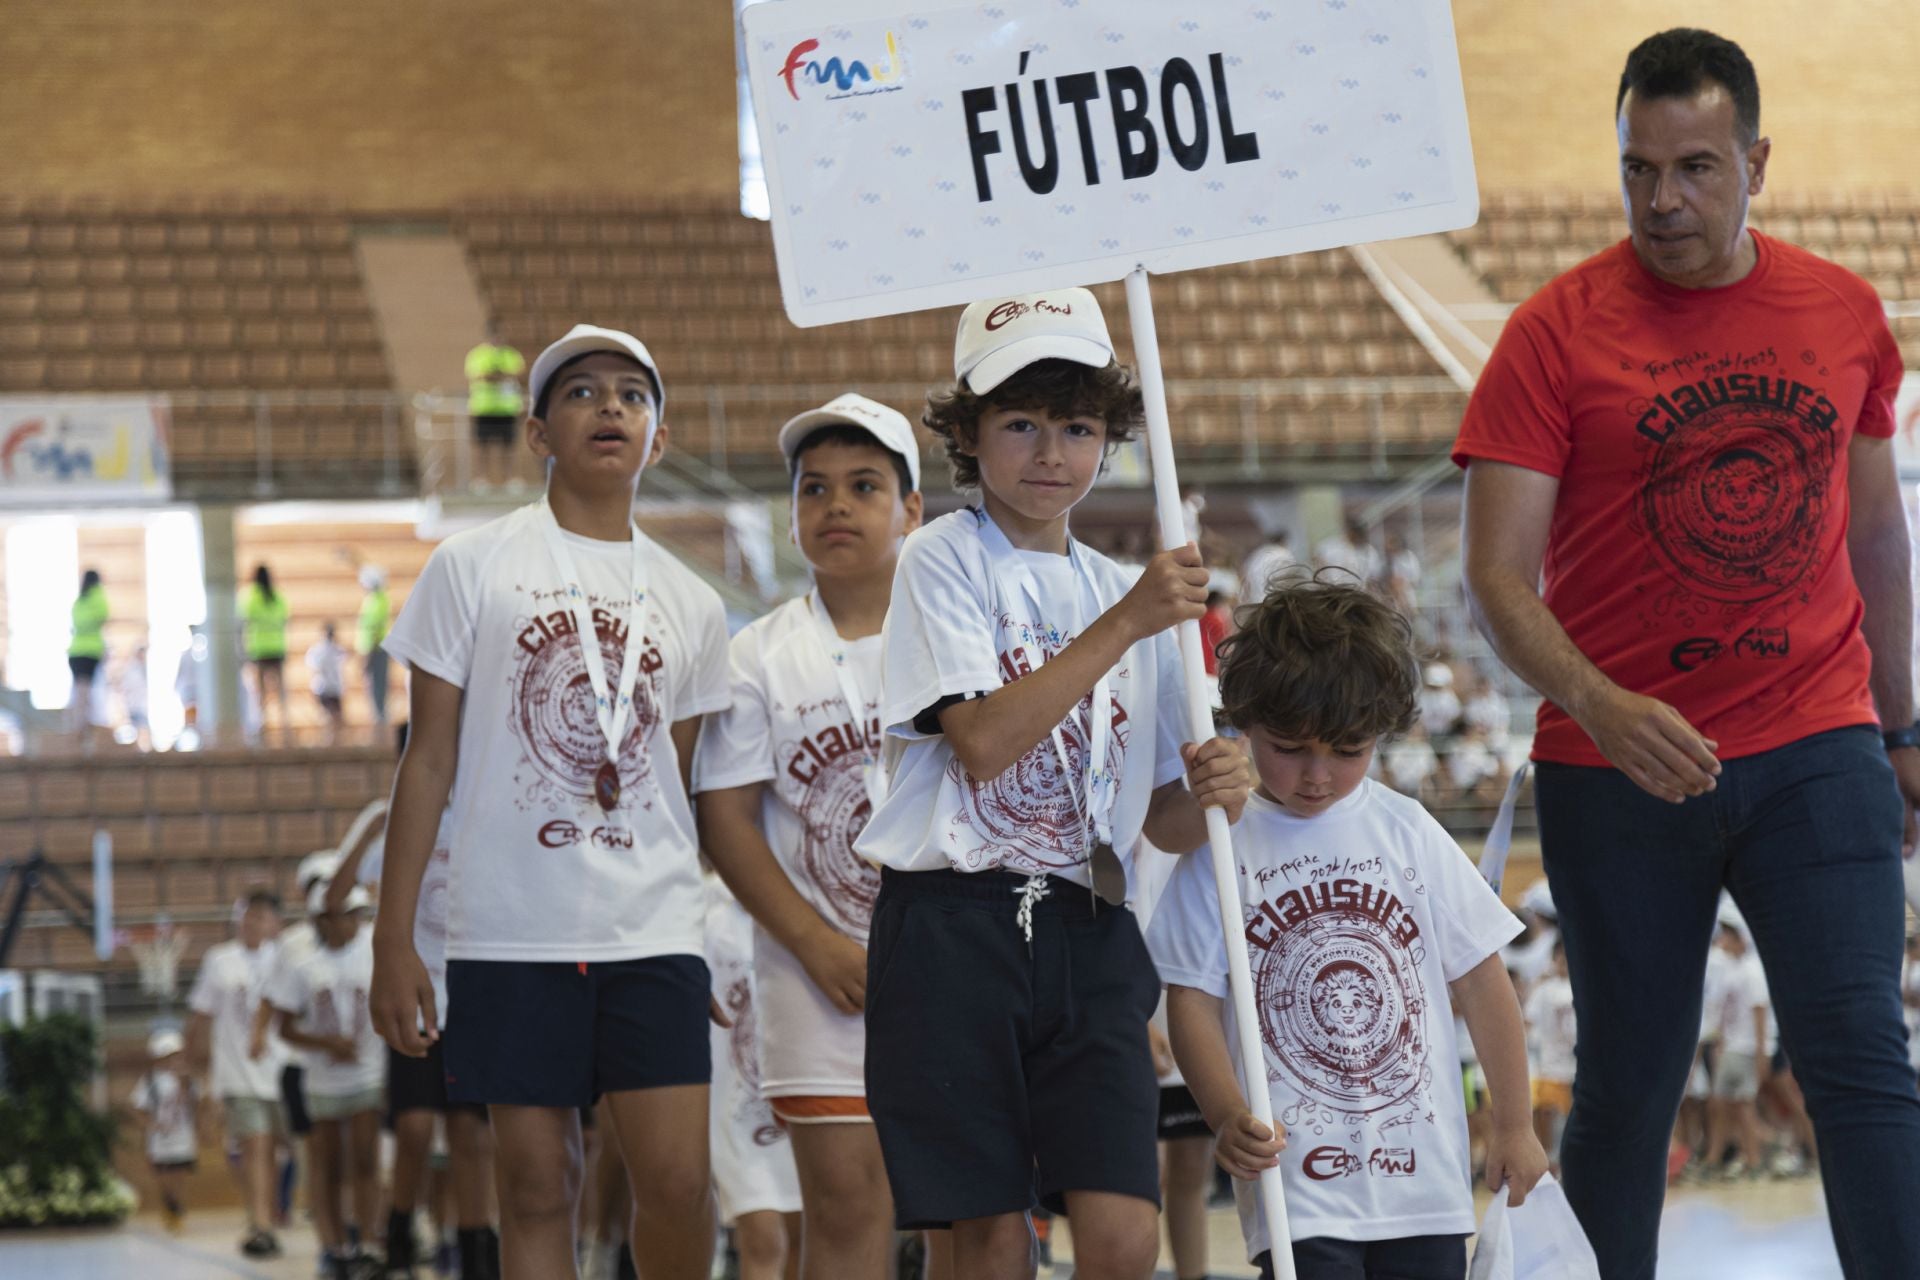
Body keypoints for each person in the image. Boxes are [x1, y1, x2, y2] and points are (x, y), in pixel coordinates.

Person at [1455, 27, 1920, 1279]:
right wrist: (1599, 705)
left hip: (1817, 743)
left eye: (1698, 167)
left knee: (1864, 1067)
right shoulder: (1551, 334)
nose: (1665, 199)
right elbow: (1495, 574)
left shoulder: (1843, 312)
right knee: (1628, 1086)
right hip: (1618, 770)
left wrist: (1904, 721)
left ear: (1757, 163)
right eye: (1639, 169)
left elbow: (1877, 529)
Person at [855, 287, 1250, 1280]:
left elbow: (1155, 818)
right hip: (952, 922)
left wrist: (1216, 793)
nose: (1049, 452)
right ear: (970, 434)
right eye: (1021, 423)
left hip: (1086, 923)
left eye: (1077, 427)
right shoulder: (942, 558)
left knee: (1122, 1230)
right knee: (986, 1234)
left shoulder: (1134, 590)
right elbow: (981, 742)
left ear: (1110, 438)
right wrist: (1129, 621)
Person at [373, 324, 729, 1280]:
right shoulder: (470, 565)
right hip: (508, 931)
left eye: (631, 395)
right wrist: (393, 936)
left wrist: (715, 937)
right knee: (535, 1186)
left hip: (653, 930)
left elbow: (682, 789)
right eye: (581, 393)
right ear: (536, 432)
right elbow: (428, 762)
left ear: (658, 436)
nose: (609, 407)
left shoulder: (694, 602)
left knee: (681, 1182)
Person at [1148, 574, 1547, 1279]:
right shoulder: (1219, 845)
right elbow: (1192, 1003)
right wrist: (1225, 1111)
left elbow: (1485, 987)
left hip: (1424, 1187)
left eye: (1346, 749)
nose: (1318, 775)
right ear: (1243, 722)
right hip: (1295, 1190)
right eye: (1291, 747)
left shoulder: (1408, 832)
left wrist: (1515, 1126)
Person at [694, 393, 926, 1280]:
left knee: (971, 1214)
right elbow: (727, 820)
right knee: (844, 1209)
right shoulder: (759, 653)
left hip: (954, 964)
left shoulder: (962, 639)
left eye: (864, 486)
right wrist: (816, 944)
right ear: (791, 516)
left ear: (911, 509)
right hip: (815, 974)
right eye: (814, 489)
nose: (836, 505)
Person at [326, 767, 499, 1280]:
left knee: (471, 1137)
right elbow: (334, 897)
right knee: (415, 1129)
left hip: (471, 1005)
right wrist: (372, 822)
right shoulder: (403, 827)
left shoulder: (479, 821)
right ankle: (398, 1232)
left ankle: (475, 1254)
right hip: (418, 1001)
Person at [269, 883, 385, 1279]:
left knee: (367, 1159)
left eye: (356, 914)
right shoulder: (305, 968)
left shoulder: (373, 955)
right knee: (328, 1167)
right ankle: (334, 1245)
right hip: (322, 1081)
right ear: (323, 920)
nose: (354, 921)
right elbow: (283, 1027)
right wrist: (325, 1043)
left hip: (368, 1072)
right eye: (346, 914)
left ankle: (370, 1242)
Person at [705, 876, 804, 1280]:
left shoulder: (805, 903)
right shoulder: (708, 909)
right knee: (765, 1239)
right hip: (734, 1106)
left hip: (796, 1094)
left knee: (806, 1238)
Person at [187, 889, 287, 1258]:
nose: (252, 923)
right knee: (254, 1146)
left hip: (283, 1071)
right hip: (237, 1071)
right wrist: (194, 1070)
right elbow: (200, 1014)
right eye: (246, 915)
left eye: (261, 916)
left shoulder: (286, 958)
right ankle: (261, 1225)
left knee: (276, 1153)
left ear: (276, 923)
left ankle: (270, 1217)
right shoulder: (219, 960)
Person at [1148, 1002, 1212, 1280]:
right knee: (1144, 1178)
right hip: (1133, 1022)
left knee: (1191, 1171)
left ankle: (1193, 1275)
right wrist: (1136, 1018)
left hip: (1195, 1029)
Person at [1703, 920, 1769, 1180]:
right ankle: (1716, 1159)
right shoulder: (1732, 971)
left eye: (1730, 935)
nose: (1724, 940)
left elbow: (1759, 1010)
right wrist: (1719, 1043)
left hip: (1744, 1047)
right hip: (1730, 1046)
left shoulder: (1752, 971)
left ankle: (1754, 1160)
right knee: (1720, 1104)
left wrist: (1761, 1052)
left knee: (1741, 1105)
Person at [132, 1028, 200, 1234]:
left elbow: (197, 1102)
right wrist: (151, 1126)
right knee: (164, 1178)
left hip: (182, 1136)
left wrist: (184, 1081)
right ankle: (169, 1205)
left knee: (180, 1174)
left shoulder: (186, 1078)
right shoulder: (150, 1081)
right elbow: (138, 1108)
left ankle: (178, 1210)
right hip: (160, 1139)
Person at [1525, 940, 1577, 1174]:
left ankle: (1570, 1163)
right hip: (1549, 1065)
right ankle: (1549, 1161)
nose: (1564, 963)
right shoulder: (1543, 990)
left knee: (1572, 1120)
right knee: (1548, 1115)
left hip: (1577, 1067)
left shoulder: (1582, 986)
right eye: (1560, 958)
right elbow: (1527, 1022)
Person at [465, 319, 527, 491]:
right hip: (484, 408)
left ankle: (511, 479)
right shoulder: (476, 355)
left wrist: (496, 376)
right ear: (489, 335)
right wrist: (500, 375)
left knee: (509, 447)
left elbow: (517, 374)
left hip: (507, 408)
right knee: (482, 447)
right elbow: (480, 376)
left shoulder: (512, 354)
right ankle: (481, 480)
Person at [242, 564, 291, 740]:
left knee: (261, 691)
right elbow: (285, 619)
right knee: (280, 690)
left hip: (259, 649)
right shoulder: (278, 596)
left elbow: (243, 620)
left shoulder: (250, 596)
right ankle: (285, 724)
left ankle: (263, 725)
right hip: (277, 647)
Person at [68, 568, 107, 738]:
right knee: (85, 690)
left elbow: (76, 623)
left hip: (75, 651)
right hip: (90, 652)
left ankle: (80, 722)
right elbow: (104, 614)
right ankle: (80, 726)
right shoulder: (97, 597)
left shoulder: (79, 601)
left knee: (80, 689)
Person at [357, 566, 393, 730]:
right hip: (376, 648)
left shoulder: (375, 602)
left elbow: (373, 631)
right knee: (377, 686)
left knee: (377, 686)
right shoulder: (379, 599)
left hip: (375, 649)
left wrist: (367, 654)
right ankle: (379, 719)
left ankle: (380, 722)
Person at [308, 622, 348, 745]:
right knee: (330, 716)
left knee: (334, 716)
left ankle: (333, 741)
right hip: (326, 687)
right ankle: (329, 740)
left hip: (331, 687)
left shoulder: (335, 650)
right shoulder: (322, 650)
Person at [1239, 530, 1294, 602]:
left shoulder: (1257, 554)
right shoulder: (1283, 553)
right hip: (1275, 599)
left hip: (1255, 600)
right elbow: (1290, 577)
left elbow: (1243, 575)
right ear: (1283, 541)